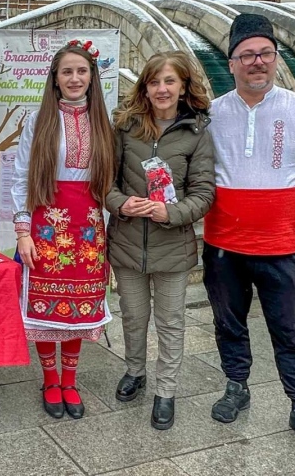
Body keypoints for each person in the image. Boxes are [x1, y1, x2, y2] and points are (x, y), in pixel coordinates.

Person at [204, 14, 295, 457]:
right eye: (247, 55)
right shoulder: (213, 112)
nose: (256, 62)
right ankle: (236, 385)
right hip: (223, 244)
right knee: (228, 324)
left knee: (292, 331)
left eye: (264, 53)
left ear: (276, 59)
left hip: (281, 245)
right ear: (232, 64)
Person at [106, 51, 216, 430]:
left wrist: (171, 212)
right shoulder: (124, 126)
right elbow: (105, 183)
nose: (162, 89)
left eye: (170, 81)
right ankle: (135, 372)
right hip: (127, 243)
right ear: (145, 87)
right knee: (134, 318)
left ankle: (166, 391)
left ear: (183, 86)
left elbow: (204, 192)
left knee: (170, 322)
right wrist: (122, 205)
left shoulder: (196, 132)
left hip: (173, 246)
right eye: (154, 82)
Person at [13, 40, 115, 419]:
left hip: (89, 225)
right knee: (47, 307)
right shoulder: (38, 120)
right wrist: (23, 230)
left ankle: (70, 380)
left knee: (79, 308)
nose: (75, 78)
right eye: (67, 71)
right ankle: (50, 378)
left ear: (92, 77)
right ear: (54, 79)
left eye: (82, 71)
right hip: (46, 224)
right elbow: (22, 175)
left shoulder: (104, 122)